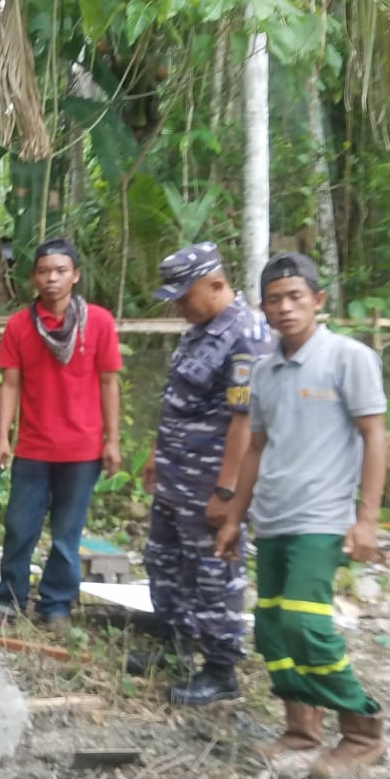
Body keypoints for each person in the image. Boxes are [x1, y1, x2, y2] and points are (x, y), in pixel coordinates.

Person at [215, 252, 389, 776]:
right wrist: (233, 518)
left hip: (323, 517)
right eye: (275, 299)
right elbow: (254, 448)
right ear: (263, 308)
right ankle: (300, 728)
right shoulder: (265, 371)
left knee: (304, 622)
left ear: (317, 301)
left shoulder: (347, 358)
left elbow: (375, 435)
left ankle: (361, 729)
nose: (286, 308)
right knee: (270, 627)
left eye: (296, 297)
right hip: (273, 516)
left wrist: (367, 519)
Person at [140, 242, 274, 706]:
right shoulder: (198, 328)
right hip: (177, 476)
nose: (178, 305)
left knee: (214, 571)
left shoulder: (247, 335)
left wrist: (228, 491)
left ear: (216, 284)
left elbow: (245, 420)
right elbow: (178, 398)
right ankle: (176, 646)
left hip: (212, 480)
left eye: (184, 295)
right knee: (164, 561)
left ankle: (220, 668)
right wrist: (157, 453)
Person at [0, 238, 123, 624]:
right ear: (33, 277)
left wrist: (111, 440)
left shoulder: (98, 322)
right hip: (32, 447)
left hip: (82, 450)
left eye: (61, 271)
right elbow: (10, 385)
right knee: (19, 528)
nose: (52, 278)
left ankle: (56, 603)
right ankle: (10, 599)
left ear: (75, 276)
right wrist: (3, 438)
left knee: (67, 535)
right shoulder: (19, 325)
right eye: (45, 271)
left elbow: (108, 382)